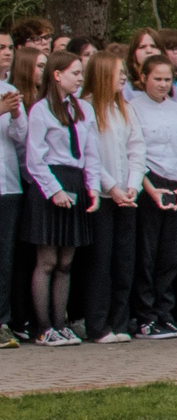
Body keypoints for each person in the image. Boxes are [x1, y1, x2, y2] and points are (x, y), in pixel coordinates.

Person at [25, 50, 95, 345]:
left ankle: (60, 322)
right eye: (75, 73)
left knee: (67, 261)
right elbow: (35, 158)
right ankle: (44, 327)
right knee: (47, 260)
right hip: (50, 184)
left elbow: (91, 151)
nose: (80, 78)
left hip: (75, 181)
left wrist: (91, 187)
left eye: (81, 73)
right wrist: (53, 190)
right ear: (57, 75)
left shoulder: (83, 109)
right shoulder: (41, 110)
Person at [127, 53, 177, 338]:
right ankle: (145, 316)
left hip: (175, 181)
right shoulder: (133, 107)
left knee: (170, 254)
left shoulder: (175, 110)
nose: (163, 85)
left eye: (168, 80)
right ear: (143, 77)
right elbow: (133, 149)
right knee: (147, 254)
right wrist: (148, 186)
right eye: (157, 79)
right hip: (148, 183)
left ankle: (165, 313)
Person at [82, 47, 144, 342]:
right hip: (104, 197)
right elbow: (89, 155)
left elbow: (137, 148)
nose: (124, 78)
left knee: (124, 261)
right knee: (101, 262)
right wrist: (112, 189)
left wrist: (133, 184)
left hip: (127, 196)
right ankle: (98, 325)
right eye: (120, 73)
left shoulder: (125, 108)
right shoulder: (87, 109)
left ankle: (120, 322)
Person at [0, 44, 24, 349]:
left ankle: (3, 322)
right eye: (0, 48)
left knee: (5, 260)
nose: (6, 52)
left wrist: (17, 114)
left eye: (9, 48)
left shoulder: (10, 88)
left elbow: (21, 138)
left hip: (9, 185)